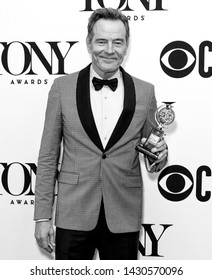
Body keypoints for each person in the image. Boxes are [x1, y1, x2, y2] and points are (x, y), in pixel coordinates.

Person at [34, 7, 168, 260]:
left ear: (126, 45)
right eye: (101, 41)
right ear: (88, 43)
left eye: (117, 42)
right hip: (73, 212)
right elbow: (48, 156)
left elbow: (152, 153)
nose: (109, 49)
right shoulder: (62, 88)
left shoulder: (145, 91)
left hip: (123, 214)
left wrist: (159, 154)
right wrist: (42, 216)